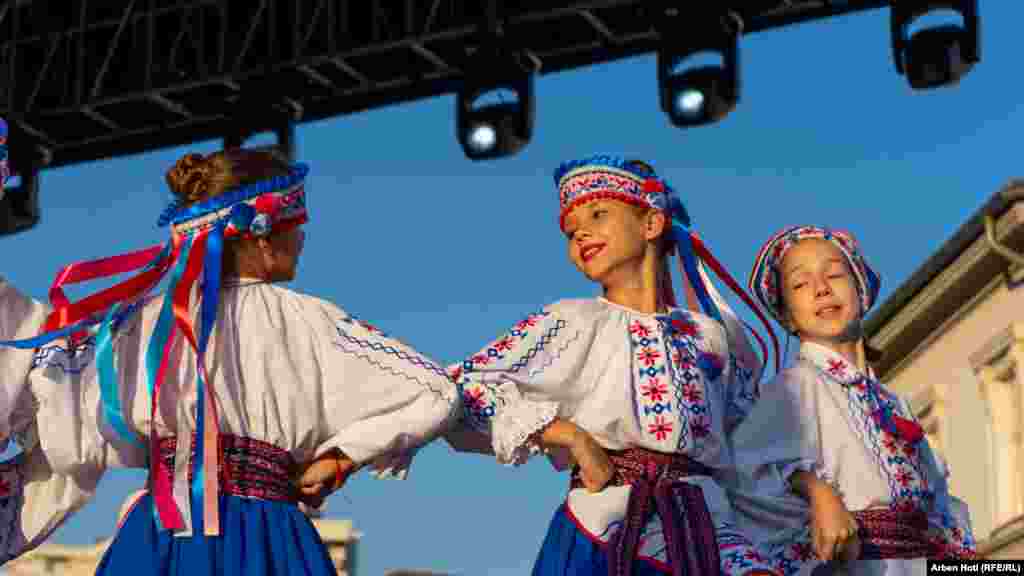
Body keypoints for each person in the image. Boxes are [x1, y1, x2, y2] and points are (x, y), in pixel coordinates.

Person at [312, 155, 782, 576]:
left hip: (705, 524)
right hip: (611, 522)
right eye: (570, 228)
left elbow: (749, 438)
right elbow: (463, 389)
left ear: (652, 223)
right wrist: (571, 438)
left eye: (599, 214)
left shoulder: (710, 336)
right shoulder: (573, 321)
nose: (580, 232)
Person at [0, 148, 459, 575]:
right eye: (295, 226)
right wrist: (339, 459)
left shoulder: (137, 325)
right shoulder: (316, 323)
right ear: (263, 238)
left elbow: (50, 391)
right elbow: (435, 391)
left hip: (163, 532)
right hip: (268, 533)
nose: (302, 238)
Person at [723, 225, 976, 576]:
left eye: (834, 274)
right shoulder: (794, 387)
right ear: (787, 316)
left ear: (860, 290)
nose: (821, 288)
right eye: (800, 284)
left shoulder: (893, 403)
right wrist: (816, 490)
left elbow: (941, 511)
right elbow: (741, 472)